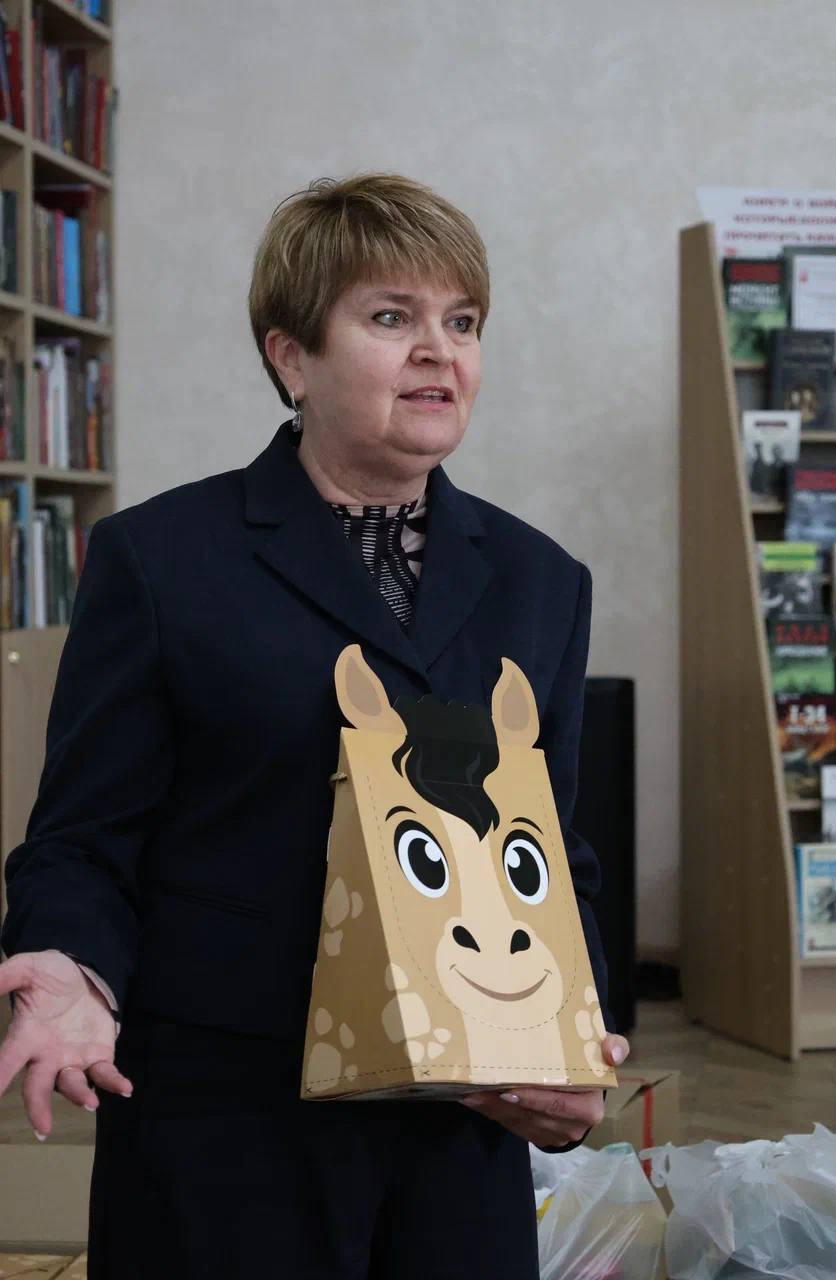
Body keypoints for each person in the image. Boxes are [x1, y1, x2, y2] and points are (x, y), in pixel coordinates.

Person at [0, 174, 629, 1278]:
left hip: (458, 1118)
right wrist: (66, 966)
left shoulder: (543, 580)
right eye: (391, 317)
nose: (438, 352)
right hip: (227, 1116)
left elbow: (551, 852)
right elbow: (82, 837)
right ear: (290, 357)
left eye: (461, 322)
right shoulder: (160, 558)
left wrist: (573, 1047)